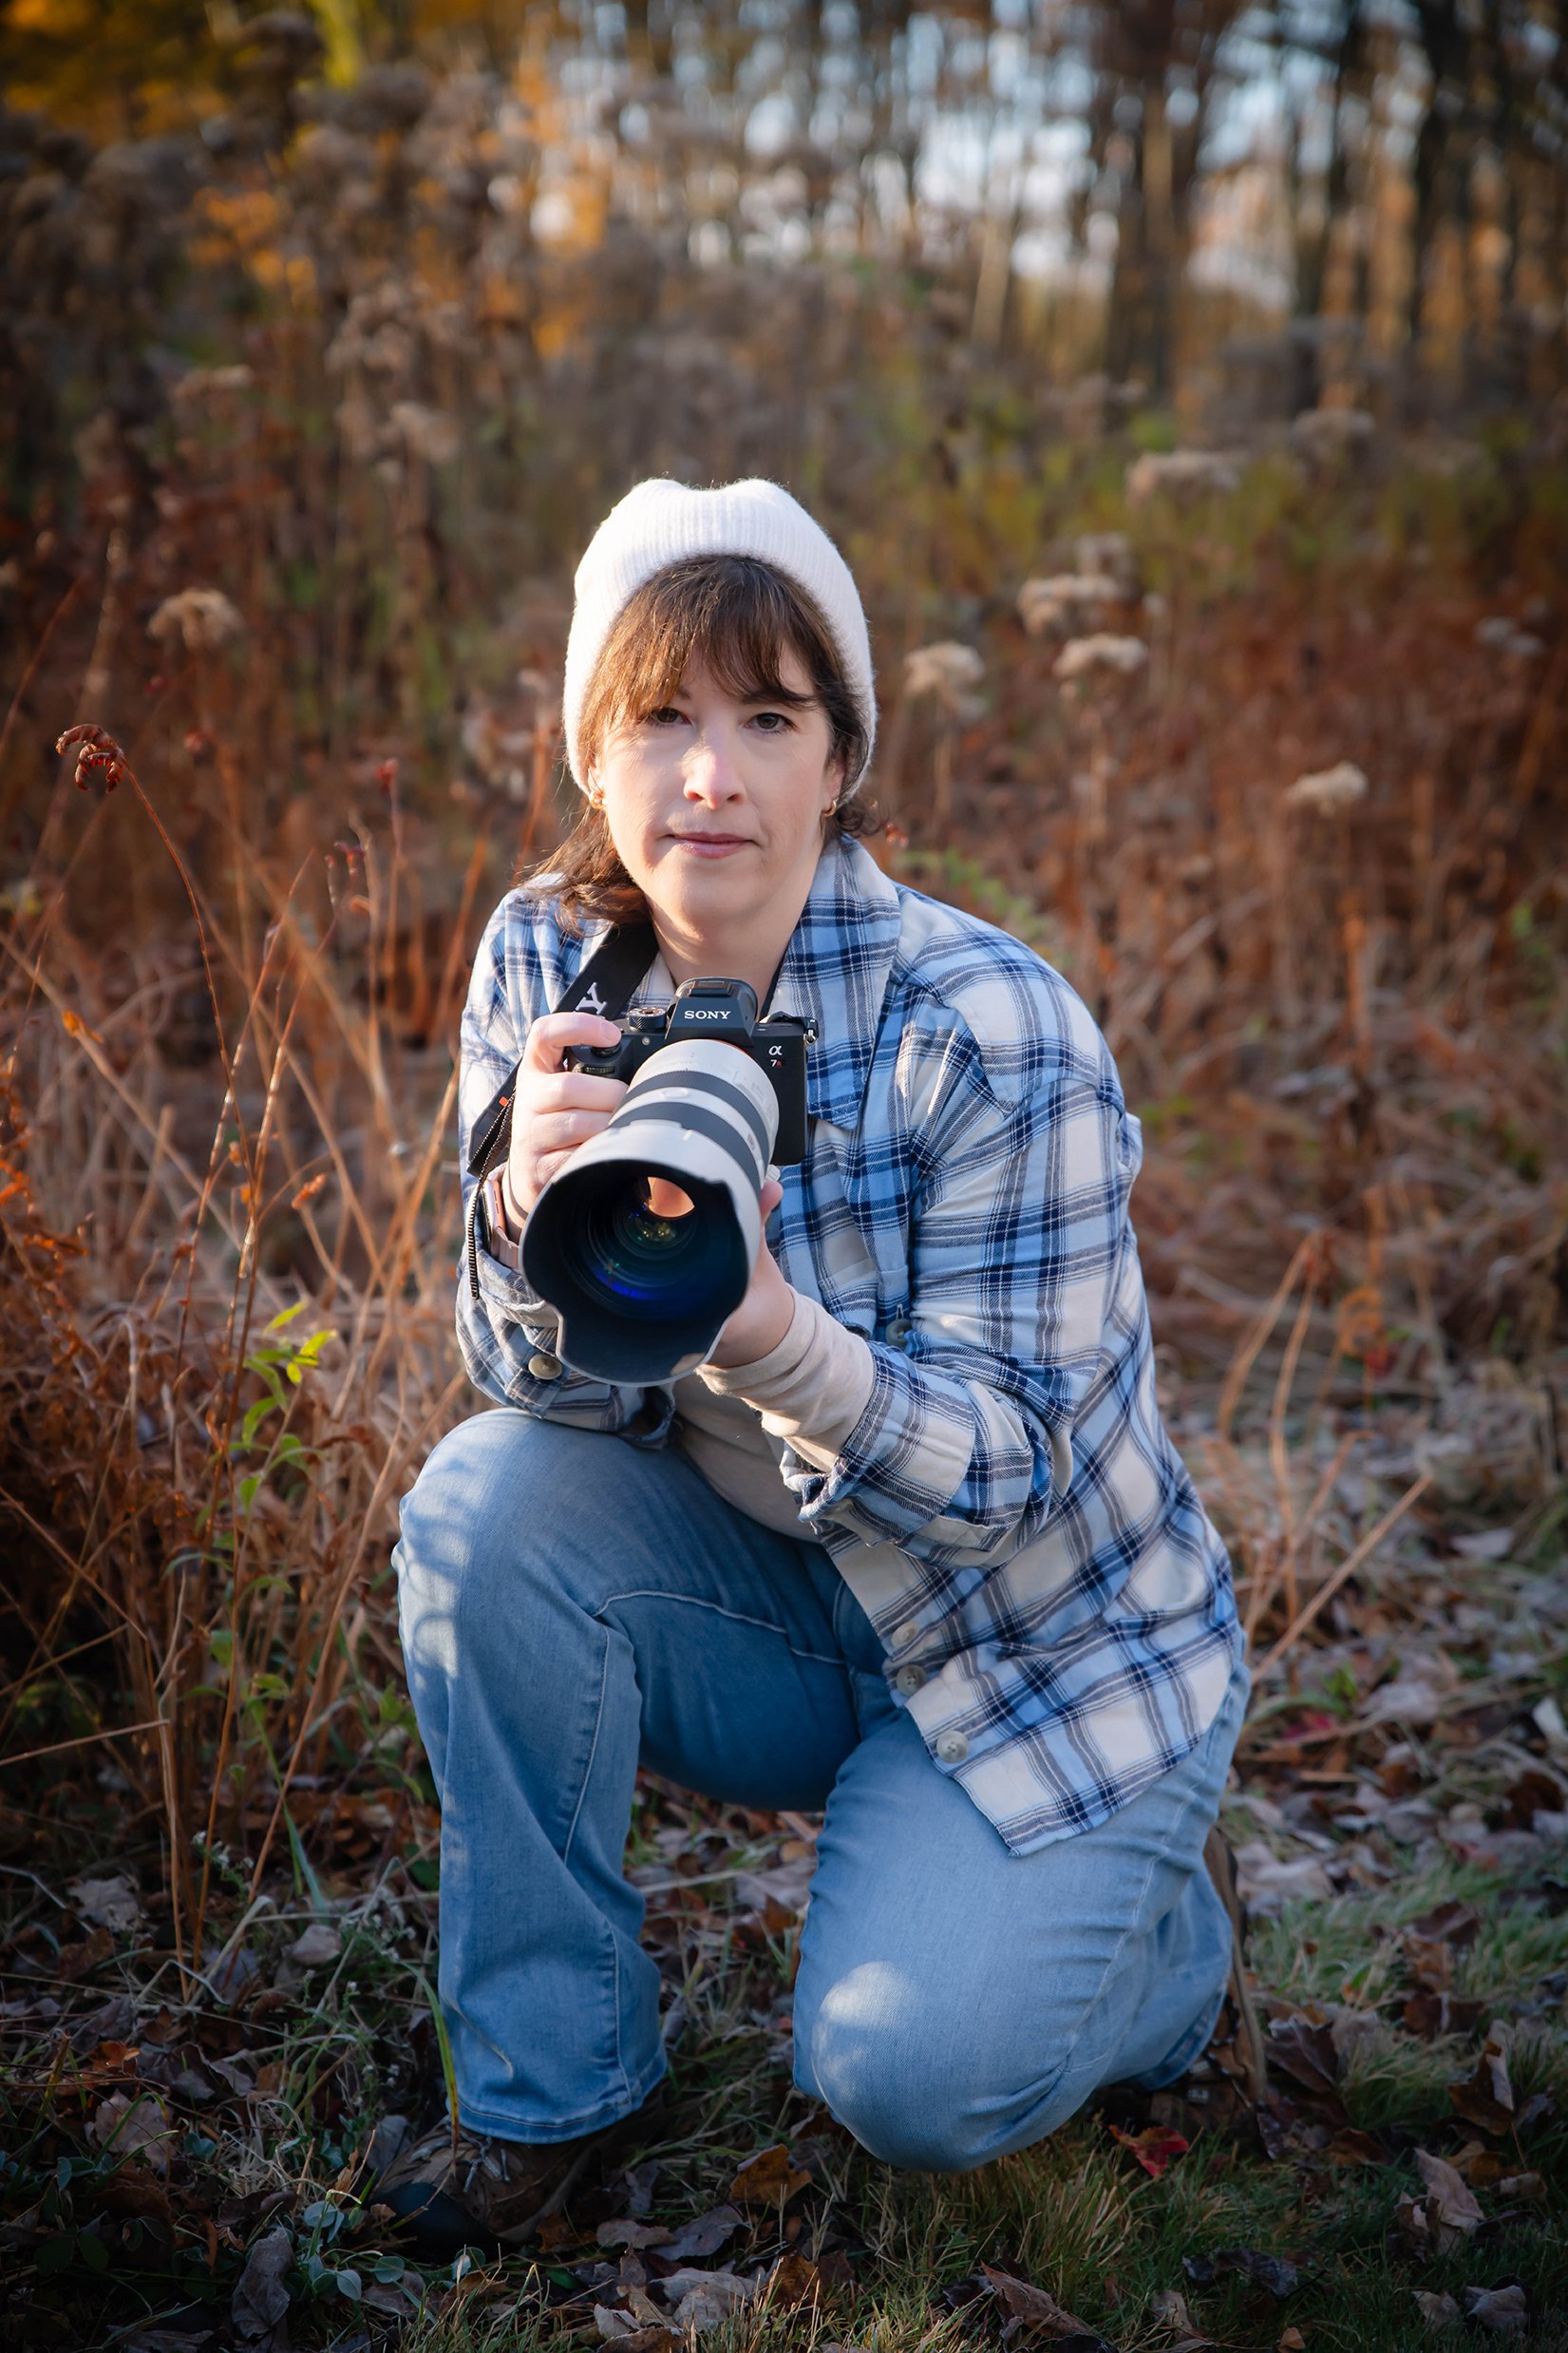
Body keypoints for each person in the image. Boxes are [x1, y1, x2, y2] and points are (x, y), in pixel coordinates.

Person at [385, 478, 1256, 2257]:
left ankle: (1166, 1949)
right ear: (594, 760)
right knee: (477, 1505)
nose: (713, 776)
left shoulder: (991, 1029)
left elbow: (1010, 1477)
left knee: (910, 2085)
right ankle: (551, 2088)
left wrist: (778, 1333)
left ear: (841, 761)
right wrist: (521, 1214)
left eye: (769, 720)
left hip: (1036, 1650)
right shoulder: (545, 966)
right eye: (665, 720)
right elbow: (534, 1399)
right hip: (774, 1607)